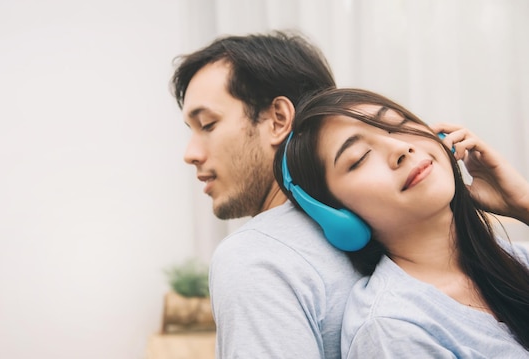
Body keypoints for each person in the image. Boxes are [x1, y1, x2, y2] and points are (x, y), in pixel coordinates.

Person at [275, 87, 529, 358]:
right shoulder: (392, 331)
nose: (401, 149)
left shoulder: (515, 260)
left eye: (397, 125)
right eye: (360, 158)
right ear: (336, 215)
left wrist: (524, 203)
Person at [170, 31, 362, 358]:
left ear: (278, 119)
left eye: (208, 124)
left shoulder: (254, 258)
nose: (190, 153)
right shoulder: (371, 227)